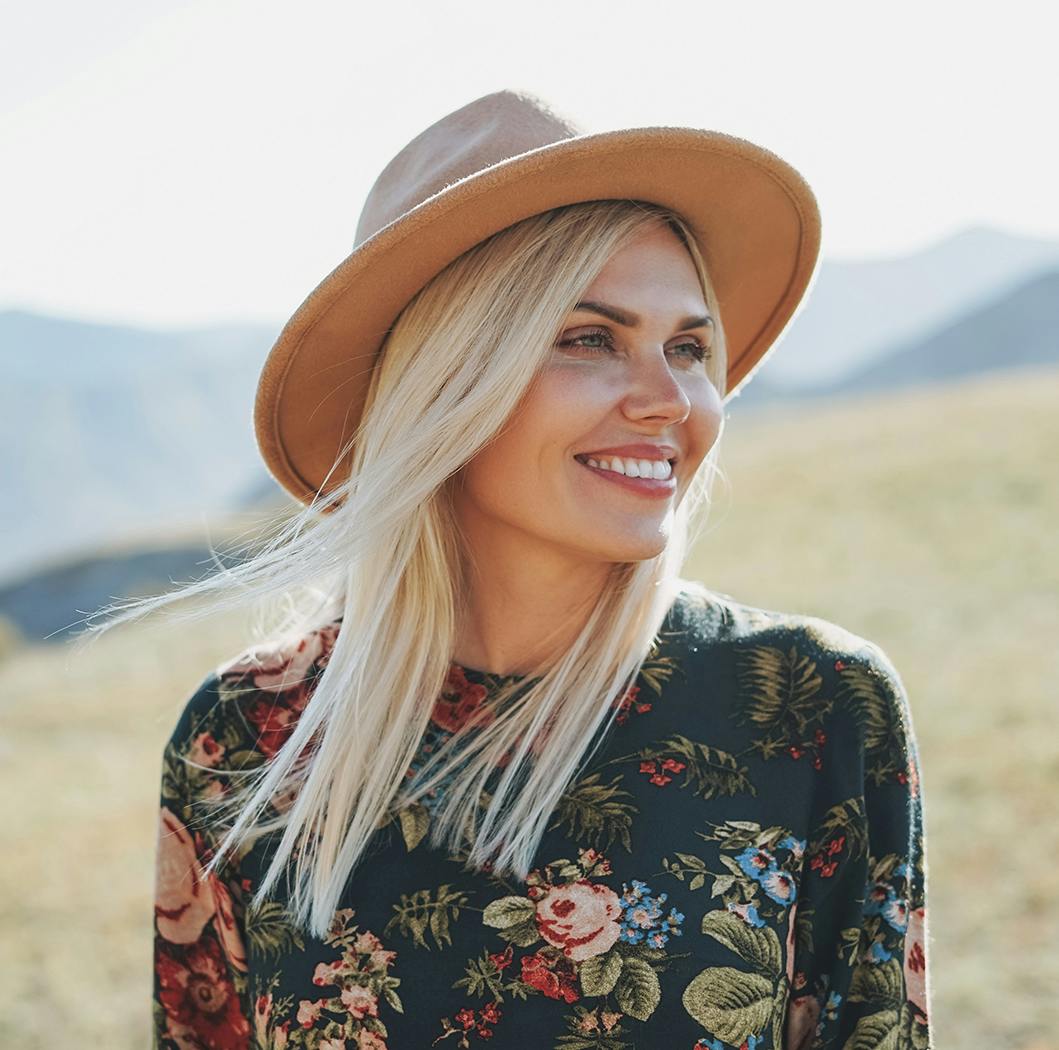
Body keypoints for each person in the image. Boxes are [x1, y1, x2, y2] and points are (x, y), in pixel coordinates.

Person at [123, 90, 933, 1047]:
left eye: (688, 347)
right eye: (589, 338)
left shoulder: (807, 705)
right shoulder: (249, 739)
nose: (669, 399)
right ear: (445, 384)